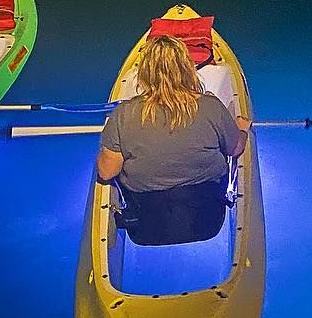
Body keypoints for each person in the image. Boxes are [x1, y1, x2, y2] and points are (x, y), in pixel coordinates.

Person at [95, 35, 251, 245]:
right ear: (187, 69)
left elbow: (106, 172)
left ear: (144, 73)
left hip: (145, 228)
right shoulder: (211, 107)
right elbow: (235, 148)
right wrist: (241, 130)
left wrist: (111, 141)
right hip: (208, 221)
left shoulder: (123, 115)